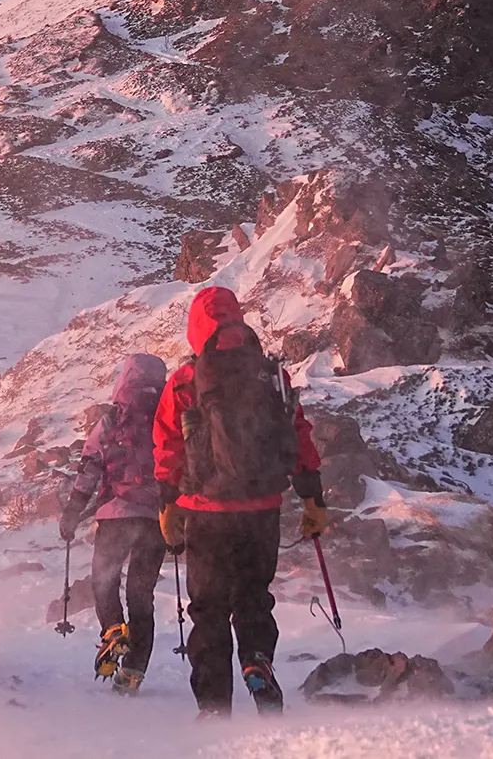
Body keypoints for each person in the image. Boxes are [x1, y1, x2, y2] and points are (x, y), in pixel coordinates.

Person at [153, 286, 326, 717]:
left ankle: (213, 709)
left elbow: (166, 446)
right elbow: (298, 434)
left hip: (207, 514)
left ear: (196, 328)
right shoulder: (271, 376)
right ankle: (257, 661)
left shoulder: (185, 381)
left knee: (209, 610)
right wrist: (313, 500)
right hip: (262, 510)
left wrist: (169, 502)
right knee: (253, 598)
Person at [58, 353, 170, 694]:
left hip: (115, 517)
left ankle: (112, 630)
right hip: (157, 521)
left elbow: (89, 469)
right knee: (141, 595)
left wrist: (72, 514)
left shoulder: (111, 421)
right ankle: (134, 669)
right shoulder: (168, 418)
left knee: (104, 580)